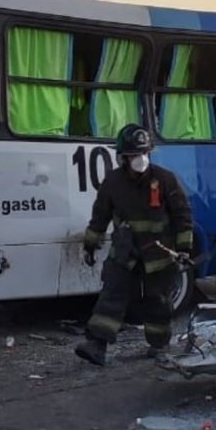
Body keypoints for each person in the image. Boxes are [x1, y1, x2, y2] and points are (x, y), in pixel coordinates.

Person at [75, 123, 194, 366]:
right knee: (111, 296)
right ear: (122, 157)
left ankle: (158, 346)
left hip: (159, 254)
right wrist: (90, 243)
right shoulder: (113, 182)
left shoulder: (165, 180)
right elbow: (100, 215)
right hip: (125, 251)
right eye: (130, 156)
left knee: (158, 301)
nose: (136, 160)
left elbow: (183, 216)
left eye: (139, 155)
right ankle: (96, 345)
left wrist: (184, 249)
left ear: (147, 154)